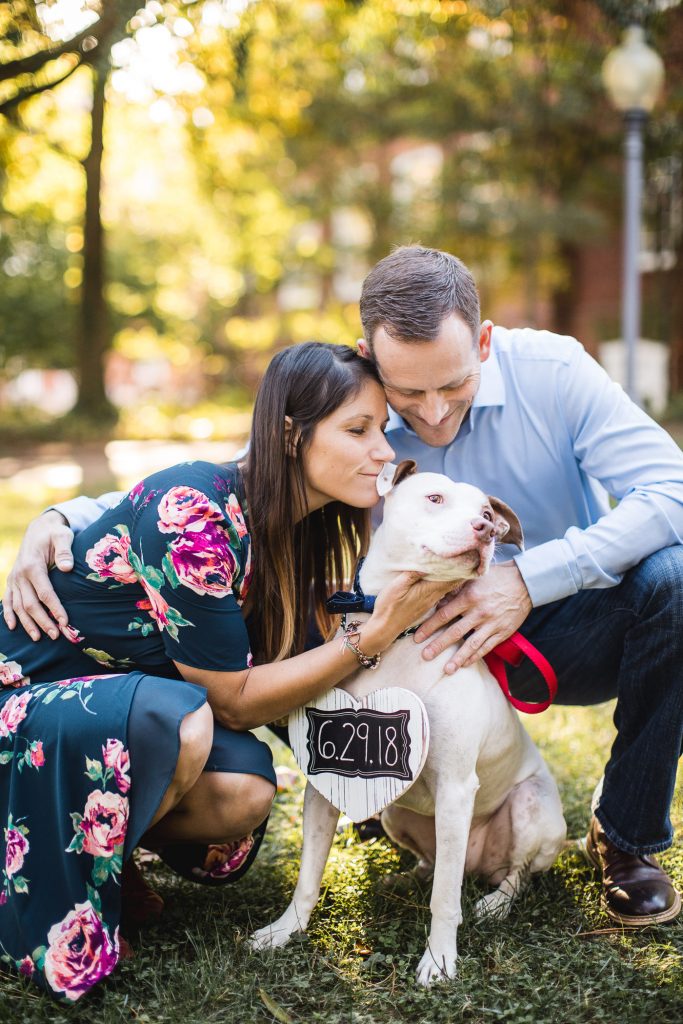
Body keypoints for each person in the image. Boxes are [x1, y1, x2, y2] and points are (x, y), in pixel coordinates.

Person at [6, 247, 683, 929]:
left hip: (551, 616)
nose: (432, 413)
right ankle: (365, 774)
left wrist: (526, 581)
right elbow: (228, 485)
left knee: (674, 579)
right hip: (406, 631)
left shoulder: (555, 372)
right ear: (370, 357)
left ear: (482, 341)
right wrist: (62, 515)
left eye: (451, 385)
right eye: (408, 395)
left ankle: (626, 840)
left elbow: (671, 491)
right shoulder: (354, 406)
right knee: (283, 659)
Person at [0, 341, 451, 1001]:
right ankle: (54, 867)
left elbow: (284, 688)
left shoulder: (290, 537)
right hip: (21, 707)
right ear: (289, 435)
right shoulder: (195, 512)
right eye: (357, 430)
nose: (382, 451)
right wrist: (371, 637)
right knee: (183, 722)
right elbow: (234, 702)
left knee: (245, 791)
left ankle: (103, 856)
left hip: (98, 721)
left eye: (380, 430)